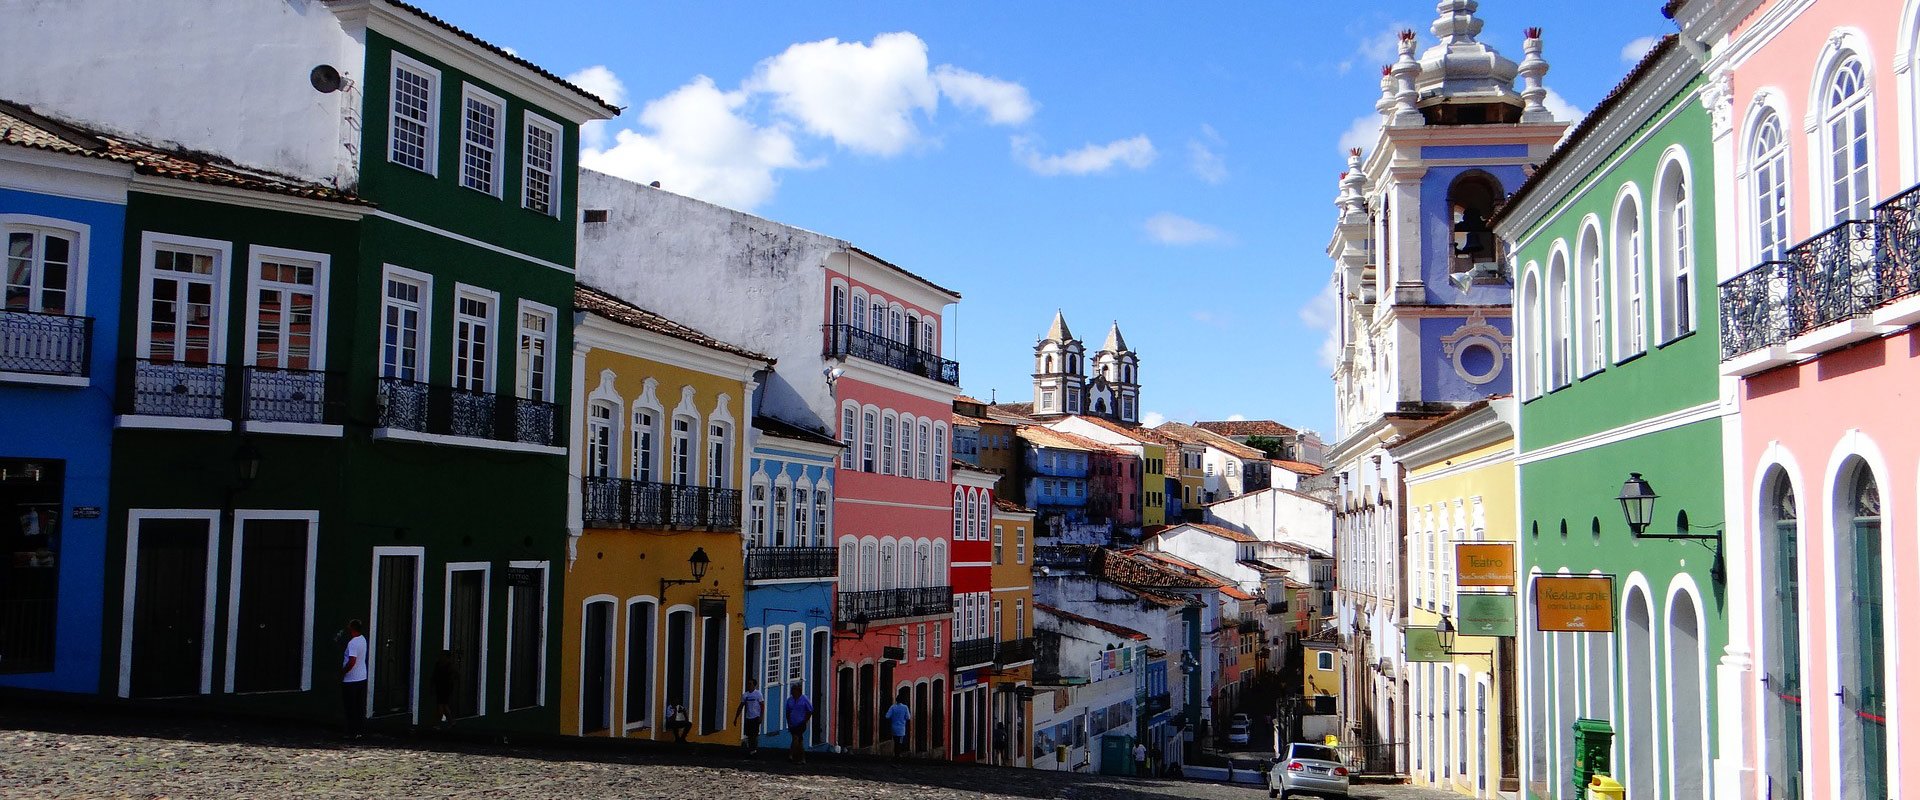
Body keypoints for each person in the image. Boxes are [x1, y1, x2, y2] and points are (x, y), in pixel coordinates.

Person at [340, 619, 368, 740]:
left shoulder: (352, 643)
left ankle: (351, 731)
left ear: (352, 628)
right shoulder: (363, 640)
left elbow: (352, 661)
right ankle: (359, 731)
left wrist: (343, 672)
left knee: (350, 707)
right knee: (359, 706)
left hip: (351, 679)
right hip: (362, 676)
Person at [733, 678, 764, 756]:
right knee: (749, 734)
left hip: (756, 717)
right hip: (748, 717)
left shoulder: (758, 694)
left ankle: (754, 749)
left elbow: (762, 706)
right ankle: (751, 749)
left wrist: (761, 717)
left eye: (750, 684)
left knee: (755, 734)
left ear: (754, 685)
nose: (749, 685)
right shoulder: (745, 695)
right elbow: (741, 706)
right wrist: (736, 717)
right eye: (748, 684)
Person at [784, 685, 813, 764]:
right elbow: (788, 712)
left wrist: (805, 720)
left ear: (798, 691)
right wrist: (789, 722)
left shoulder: (804, 699)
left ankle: (791, 755)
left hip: (801, 723)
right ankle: (802, 758)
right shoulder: (790, 700)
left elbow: (810, 710)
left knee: (795, 738)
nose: (792, 692)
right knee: (800, 742)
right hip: (793, 723)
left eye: (794, 691)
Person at [431, 650, 460, 729]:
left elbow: (456, 675)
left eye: (442, 655)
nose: (441, 657)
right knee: (444, 705)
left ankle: (438, 723)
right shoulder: (443, 665)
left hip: (445, 687)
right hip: (442, 687)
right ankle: (451, 722)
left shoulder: (448, 665)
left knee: (441, 705)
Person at [885, 693, 912, 758]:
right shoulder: (905, 707)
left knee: (895, 741)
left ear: (896, 700)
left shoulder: (892, 707)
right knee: (900, 742)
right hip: (902, 728)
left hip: (894, 727)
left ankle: (896, 755)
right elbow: (908, 717)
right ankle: (898, 755)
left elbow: (887, 716)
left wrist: (893, 717)